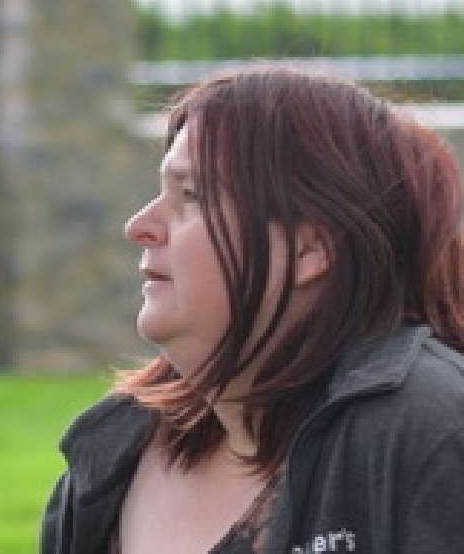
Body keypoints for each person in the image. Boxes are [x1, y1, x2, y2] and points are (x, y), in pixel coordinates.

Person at [40, 66, 464, 553]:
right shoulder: (114, 451)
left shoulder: (431, 431)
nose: (140, 226)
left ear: (309, 248)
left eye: (191, 195)